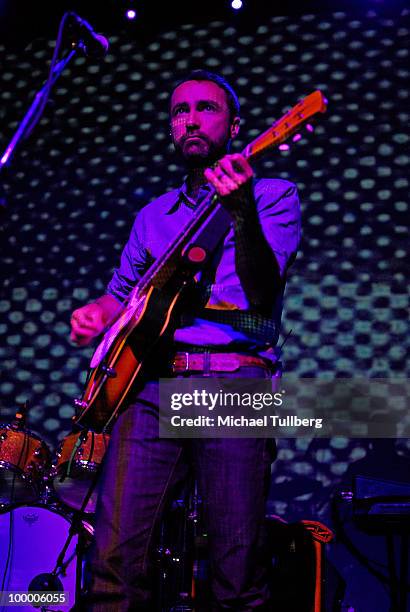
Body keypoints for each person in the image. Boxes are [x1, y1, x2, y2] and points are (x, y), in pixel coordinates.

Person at [70, 70, 301, 611]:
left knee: (235, 572)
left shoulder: (272, 194)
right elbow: (121, 296)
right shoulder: (152, 216)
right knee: (112, 563)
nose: (191, 119)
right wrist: (94, 315)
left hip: (232, 384)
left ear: (235, 126)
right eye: (180, 111)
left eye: (206, 108)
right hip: (150, 387)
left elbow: (264, 293)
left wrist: (241, 210)